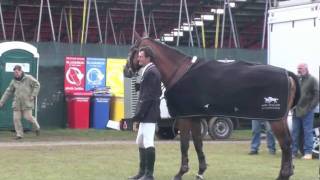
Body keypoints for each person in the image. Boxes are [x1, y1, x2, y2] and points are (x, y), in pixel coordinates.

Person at [128, 46, 161, 180]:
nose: (138, 58)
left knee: (148, 142)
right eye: (139, 56)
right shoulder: (148, 71)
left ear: (148, 58)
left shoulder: (151, 72)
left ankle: (149, 174)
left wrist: (139, 115)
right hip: (146, 113)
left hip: (149, 114)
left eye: (141, 56)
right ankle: (142, 172)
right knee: (141, 141)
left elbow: (148, 97)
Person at [0, 65, 41, 140]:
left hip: (27, 102)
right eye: (14, 72)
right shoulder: (13, 81)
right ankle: (19, 135)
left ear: (21, 71)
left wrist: (33, 95)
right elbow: (8, 92)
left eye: (17, 72)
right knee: (16, 119)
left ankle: (37, 127)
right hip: (17, 103)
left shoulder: (28, 78)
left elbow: (37, 85)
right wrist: (1, 102)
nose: (16, 74)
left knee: (28, 117)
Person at [292, 63, 319, 160]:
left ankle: (308, 153)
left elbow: (317, 94)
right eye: (298, 68)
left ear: (306, 69)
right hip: (296, 110)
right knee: (295, 132)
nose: (298, 70)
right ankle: (293, 153)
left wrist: (311, 107)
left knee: (307, 132)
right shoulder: (297, 79)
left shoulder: (312, 79)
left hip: (307, 111)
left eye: (300, 68)